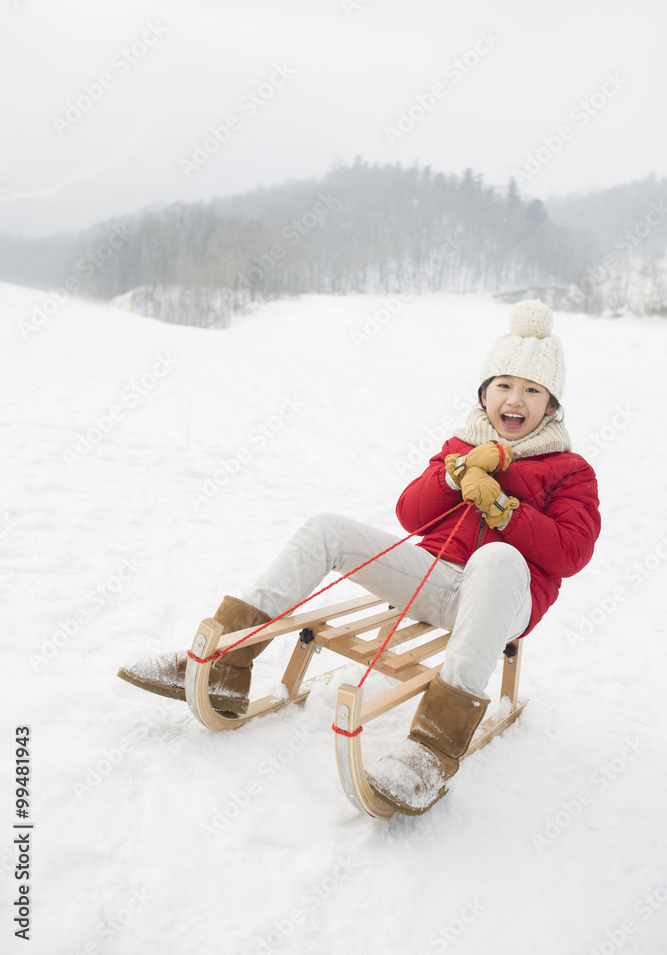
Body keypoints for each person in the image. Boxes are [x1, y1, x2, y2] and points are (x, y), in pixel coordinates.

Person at [118, 300, 600, 815]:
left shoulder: (570, 470)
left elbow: (572, 552)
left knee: (500, 558)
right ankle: (224, 662)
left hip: (504, 601)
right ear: (485, 394)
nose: (515, 399)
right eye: (504, 385)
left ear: (551, 406)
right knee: (328, 527)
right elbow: (410, 515)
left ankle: (432, 749)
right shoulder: (461, 445)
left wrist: (505, 510)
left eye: (531, 390)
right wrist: (452, 476)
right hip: (435, 582)